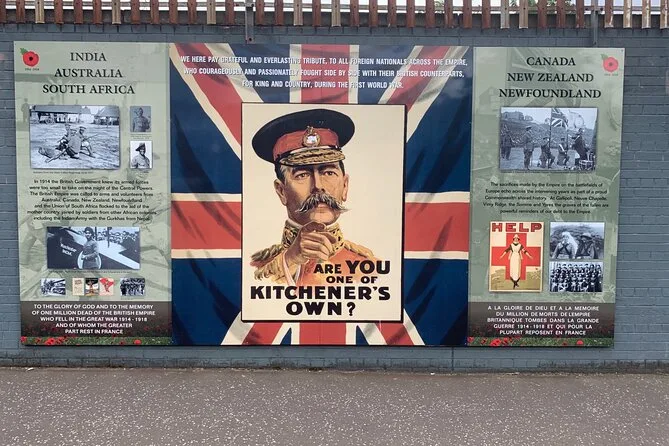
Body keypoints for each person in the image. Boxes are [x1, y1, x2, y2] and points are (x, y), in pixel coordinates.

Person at [250, 109, 375, 285]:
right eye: (302, 175)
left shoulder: (369, 267)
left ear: (345, 186)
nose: (318, 186)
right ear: (281, 191)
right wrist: (290, 260)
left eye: (328, 172)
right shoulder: (256, 269)